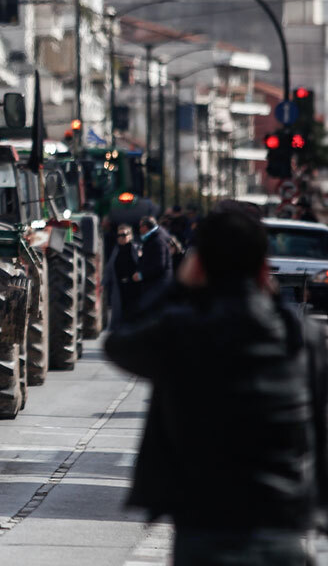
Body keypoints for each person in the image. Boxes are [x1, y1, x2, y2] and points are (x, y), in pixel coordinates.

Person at [105, 201, 326, 565]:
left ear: (199, 266)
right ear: (263, 268)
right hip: (283, 525)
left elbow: (121, 339)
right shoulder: (302, 338)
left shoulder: (182, 330)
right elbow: (320, 428)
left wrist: (179, 286)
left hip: (205, 526)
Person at [133, 216, 173, 313]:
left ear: (145, 227)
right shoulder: (152, 239)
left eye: (140, 226)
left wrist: (142, 275)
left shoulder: (157, 241)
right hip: (154, 285)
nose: (139, 229)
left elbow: (159, 265)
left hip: (157, 286)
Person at [103, 223, 140, 325]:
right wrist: (103, 283)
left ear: (130, 236)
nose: (121, 238)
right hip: (119, 287)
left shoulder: (137, 249)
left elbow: (144, 266)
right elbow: (109, 269)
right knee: (119, 316)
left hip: (134, 287)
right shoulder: (116, 250)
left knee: (134, 314)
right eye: (119, 236)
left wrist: (139, 275)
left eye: (124, 235)